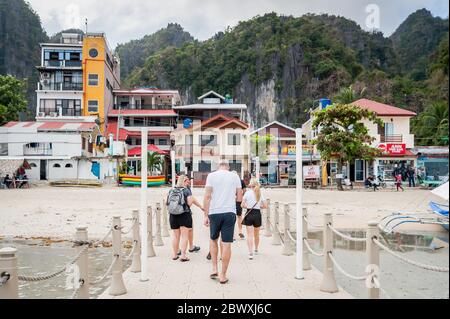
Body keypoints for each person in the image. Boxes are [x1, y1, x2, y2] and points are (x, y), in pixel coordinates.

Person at [203, 162, 243, 285]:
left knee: (213, 239)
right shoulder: (234, 176)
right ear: (228, 168)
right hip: (229, 212)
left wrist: (205, 215)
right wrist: (232, 200)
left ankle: (214, 268)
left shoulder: (211, 176)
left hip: (214, 212)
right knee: (226, 244)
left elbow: (207, 196)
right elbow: (240, 197)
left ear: (219, 167)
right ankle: (223, 275)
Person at [167, 175, 203, 262]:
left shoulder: (172, 190)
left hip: (173, 215)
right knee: (184, 236)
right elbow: (190, 203)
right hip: (184, 215)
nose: (189, 182)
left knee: (176, 236)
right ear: (184, 181)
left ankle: (175, 255)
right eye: (188, 181)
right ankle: (183, 256)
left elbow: (167, 202)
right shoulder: (186, 190)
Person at [241, 178, 267, 260]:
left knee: (249, 235)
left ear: (250, 185)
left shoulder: (247, 193)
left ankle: (250, 253)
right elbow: (265, 206)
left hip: (249, 214)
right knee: (256, 234)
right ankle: (256, 249)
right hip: (257, 214)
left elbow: (242, 205)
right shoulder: (260, 194)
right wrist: (259, 206)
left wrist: (248, 206)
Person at [232, 171, 247, 240]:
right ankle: (240, 231)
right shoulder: (241, 181)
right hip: (238, 201)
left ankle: (232, 235)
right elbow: (245, 191)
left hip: (231, 201)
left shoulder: (230, 181)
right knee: (239, 216)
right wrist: (241, 197)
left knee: (232, 217)